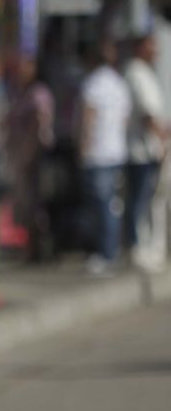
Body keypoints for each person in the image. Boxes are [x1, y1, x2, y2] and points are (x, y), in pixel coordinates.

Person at [79, 39, 131, 275]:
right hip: (116, 151)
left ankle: (106, 253)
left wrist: (84, 146)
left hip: (99, 153)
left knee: (102, 206)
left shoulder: (93, 83)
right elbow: (125, 119)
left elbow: (88, 118)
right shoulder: (119, 84)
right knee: (112, 205)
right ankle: (111, 250)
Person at [5, 54, 56, 260]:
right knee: (27, 205)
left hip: (35, 157)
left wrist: (29, 152)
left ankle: (40, 249)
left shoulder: (38, 94)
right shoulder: (21, 93)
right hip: (23, 156)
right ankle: (31, 249)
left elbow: (40, 122)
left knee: (36, 205)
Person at [123, 33, 167, 268]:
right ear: (140, 47)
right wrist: (162, 139)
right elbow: (148, 114)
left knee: (149, 200)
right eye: (152, 45)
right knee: (140, 200)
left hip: (148, 150)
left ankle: (147, 247)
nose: (156, 51)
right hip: (141, 150)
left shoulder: (146, 73)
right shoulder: (136, 73)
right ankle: (137, 247)